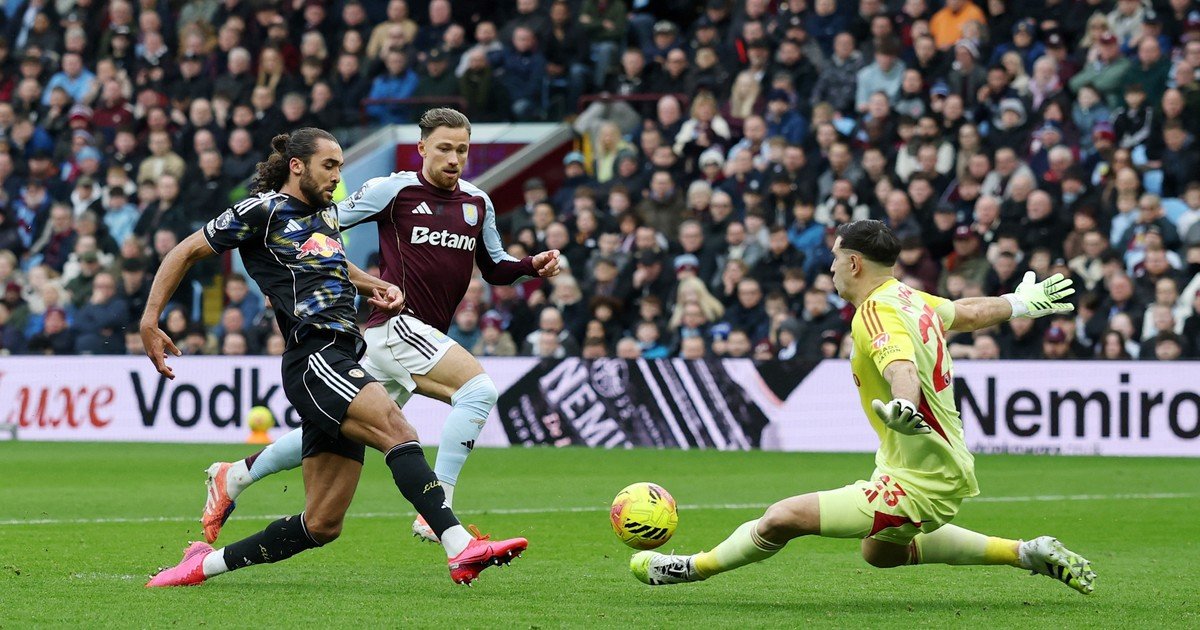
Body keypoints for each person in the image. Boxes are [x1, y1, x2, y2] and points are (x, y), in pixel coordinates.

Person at [143, 128, 527, 587]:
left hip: (346, 350)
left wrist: (375, 285)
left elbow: (330, 263)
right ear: (297, 166)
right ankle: (459, 546)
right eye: (330, 166)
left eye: (342, 166)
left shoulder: (324, 216)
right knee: (396, 428)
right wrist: (150, 319)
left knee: (322, 524)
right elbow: (185, 251)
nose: (338, 176)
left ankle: (201, 565)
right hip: (314, 352)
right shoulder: (260, 211)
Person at [629, 220, 1096, 596]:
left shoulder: (875, 312)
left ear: (853, 262)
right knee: (881, 553)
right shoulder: (911, 298)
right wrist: (1018, 302)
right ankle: (1027, 552)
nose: (830, 269)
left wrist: (903, 407)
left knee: (781, 518)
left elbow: (902, 369)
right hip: (919, 465)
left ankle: (688, 569)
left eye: (834, 258)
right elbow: (968, 313)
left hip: (924, 476)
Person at [201, 109, 561, 545]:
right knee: (479, 391)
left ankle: (235, 475)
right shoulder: (394, 190)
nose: (453, 159)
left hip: (416, 338)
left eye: (461, 150)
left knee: (340, 425)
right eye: (444, 148)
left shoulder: (477, 203)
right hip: (396, 326)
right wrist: (297, 264)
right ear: (423, 148)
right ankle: (437, 509)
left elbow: (495, 267)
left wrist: (529, 266)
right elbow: (325, 224)